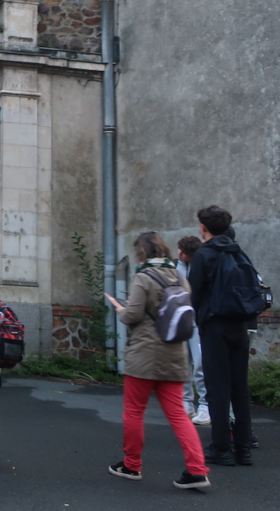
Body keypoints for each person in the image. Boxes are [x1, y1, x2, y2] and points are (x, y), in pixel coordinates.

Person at [104, 232, 210, 490]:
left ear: (141, 252)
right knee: (178, 415)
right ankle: (197, 470)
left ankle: (131, 465)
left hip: (144, 356)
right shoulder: (179, 276)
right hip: (174, 355)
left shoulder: (142, 277)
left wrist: (120, 310)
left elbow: (133, 316)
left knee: (134, 412)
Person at [187, 205, 255, 467]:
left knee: (217, 387)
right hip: (240, 324)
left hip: (214, 325)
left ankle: (220, 447)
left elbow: (193, 294)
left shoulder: (205, 254)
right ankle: (243, 447)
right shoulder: (238, 251)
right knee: (240, 387)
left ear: (203, 227)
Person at [176, 236, 210, 425]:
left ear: (192, 255)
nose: (179, 254)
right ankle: (186, 403)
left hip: (197, 321)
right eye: (179, 249)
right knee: (183, 363)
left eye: (184, 252)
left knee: (199, 365)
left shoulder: (201, 266)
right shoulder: (175, 266)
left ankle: (205, 405)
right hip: (181, 321)